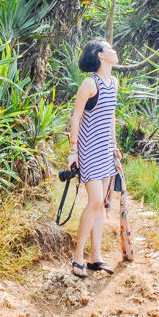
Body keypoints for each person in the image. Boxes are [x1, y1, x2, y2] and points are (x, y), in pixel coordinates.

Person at [67, 39, 122, 278]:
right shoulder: (90, 83)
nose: (115, 51)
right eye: (110, 48)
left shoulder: (114, 83)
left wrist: (114, 146)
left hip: (105, 150)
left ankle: (95, 258)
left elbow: (111, 116)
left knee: (101, 206)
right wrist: (73, 151)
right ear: (100, 55)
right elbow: (76, 117)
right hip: (88, 150)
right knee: (95, 201)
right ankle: (77, 256)